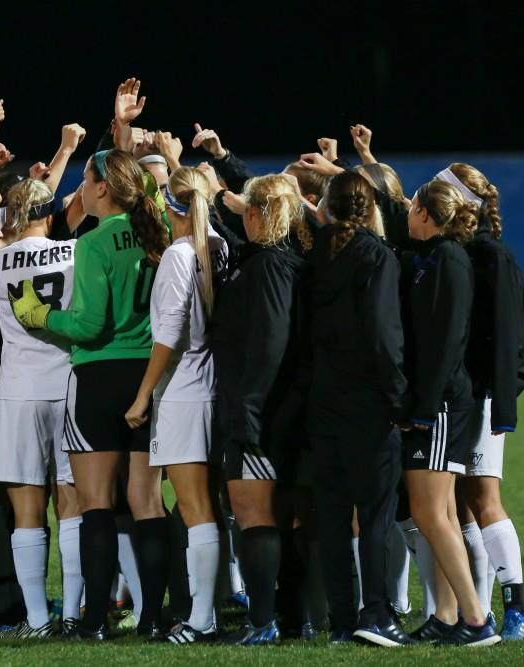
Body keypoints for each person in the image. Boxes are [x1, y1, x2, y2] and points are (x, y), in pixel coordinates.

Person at [10, 147, 170, 641]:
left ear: (103, 187)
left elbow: (88, 324)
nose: (79, 188)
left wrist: (38, 316)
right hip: (148, 379)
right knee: (147, 502)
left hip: (99, 380)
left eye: (85, 180)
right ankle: (151, 619)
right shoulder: (156, 231)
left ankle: (96, 620)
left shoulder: (95, 243)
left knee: (96, 504)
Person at [0, 173, 86, 640]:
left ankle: (36, 620)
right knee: (71, 504)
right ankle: (73, 614)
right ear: (50, 218)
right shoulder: (75, 253)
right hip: (72, 386)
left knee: (27, 508)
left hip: (17, 393)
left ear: (12, 216)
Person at [124, 166, 229, 644]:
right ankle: (209, 609)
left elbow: (168, 334)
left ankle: (202, 617)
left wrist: (143, 395)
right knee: (207, 506)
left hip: (184, 392)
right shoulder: (220, 246)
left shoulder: (178, 254)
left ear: (171, 207)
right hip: (215, 387)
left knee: (194, 508)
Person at [307, 171, 410, 646]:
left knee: (331, 516)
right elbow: (384, 337)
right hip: (367, 405)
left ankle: (343, 621)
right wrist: (397, 398)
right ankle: (378, 614)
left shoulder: (315, 256)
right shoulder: (375, 256)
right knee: (374, 516)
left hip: (322, 403)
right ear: (369, 209)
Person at [400, 179, 500, 647]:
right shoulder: (433, 257)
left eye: (412, 206)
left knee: (430, 511)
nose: (407, 212)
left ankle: (476, 620)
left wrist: (423, 406)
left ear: (425, 214)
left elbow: (445, 342)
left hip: (440, 404)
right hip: (434, 400)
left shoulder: (450, 261)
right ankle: (445, 614)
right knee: (433, 513)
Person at [209, 174, 307, 646]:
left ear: (255, 214)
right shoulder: (277, 259)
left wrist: (247, 406)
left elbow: (271, 341)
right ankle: (291, 619)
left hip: (261, 412)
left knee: (255, 516)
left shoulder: (268, 265)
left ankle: (264, 622)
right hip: (276, 407)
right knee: (275, 517)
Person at [443, 163, 524, 640]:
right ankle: (476, 611)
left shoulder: (491, 257)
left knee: (484, 499)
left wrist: (503, 408)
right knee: (458, 504)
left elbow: (506, 341)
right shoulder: (458, 250)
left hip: (480, 397)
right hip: (458, 398)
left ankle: (517, 607)